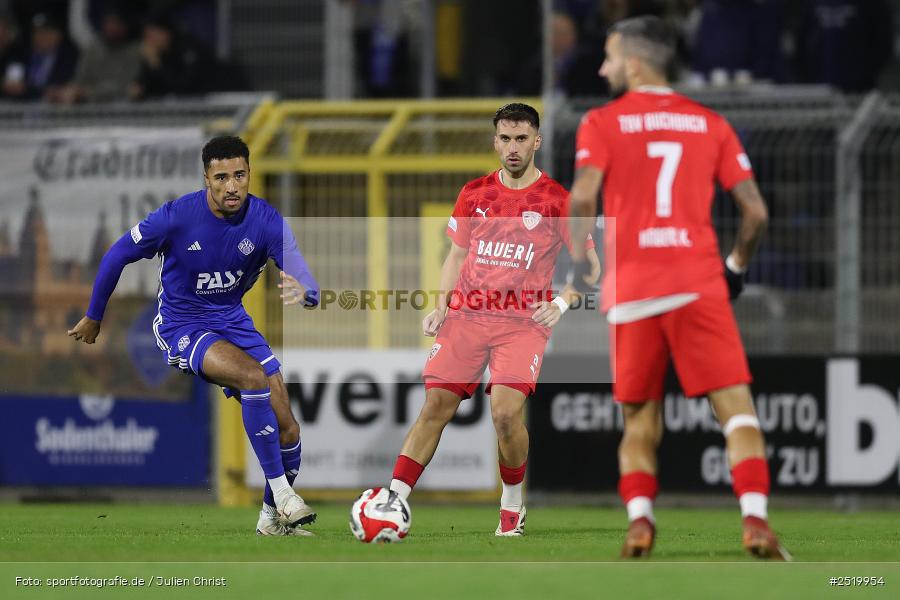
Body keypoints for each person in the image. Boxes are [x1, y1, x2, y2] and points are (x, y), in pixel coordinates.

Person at [567, 16, 789, 559]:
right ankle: (756, 521)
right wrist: (734, 267)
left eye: (609, 57)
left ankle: (640, 522)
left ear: (635, 64)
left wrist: (581, 265)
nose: (602, 67)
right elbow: (755, 212)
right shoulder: (709, 123)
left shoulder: (601, 122)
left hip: (632, 289)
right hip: (697, 282)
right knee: (737, 411)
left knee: (640, 420)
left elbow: (580, 201)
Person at [68, 136, 320, 537]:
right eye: (221, 177)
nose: (232, 186)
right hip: (183, 325)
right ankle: (285, 495)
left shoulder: (267, 220)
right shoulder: (175, 217)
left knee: (288, 426)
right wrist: (94, 315)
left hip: (234, 322)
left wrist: (307, 292)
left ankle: (272, 521)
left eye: (239, 175)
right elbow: (117, 253)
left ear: (249, 173)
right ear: (206, 179)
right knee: (253, 378)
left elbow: (305, 276)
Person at [386, 103, 600, 536]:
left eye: (521, 139)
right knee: (435, 407)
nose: (512, 147)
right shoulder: (474, 194)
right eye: (505, 138)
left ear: (536, 141)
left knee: (504, 415)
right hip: (466, 316)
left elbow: (591, 268)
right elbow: (457, 256)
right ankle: (392, 502)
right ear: (495, 141)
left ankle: (511, 506)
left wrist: (561, 303)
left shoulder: (558, 201)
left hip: (522, 324)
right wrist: (442, 305)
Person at [52, 7, 141, 103]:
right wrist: (64, 91)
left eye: (116, 23)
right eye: (108, 22)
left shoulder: (136, 51)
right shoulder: (93, 51)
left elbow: (126, 86)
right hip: (90, 112)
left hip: (125, 112)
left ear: (125, 25)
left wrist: (87, 93)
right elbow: (79, 80)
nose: (111, 27)